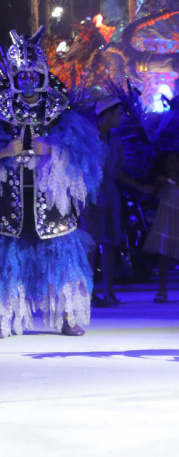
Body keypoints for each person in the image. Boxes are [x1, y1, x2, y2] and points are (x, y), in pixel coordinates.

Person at [0, 28, 105, 337]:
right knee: (8, 258)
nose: (29, 83)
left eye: (34, 75)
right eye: (23, 77)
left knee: (62, 257)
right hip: (10, 202)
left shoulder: (60, 111)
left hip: (51, 204)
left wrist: (53, 149)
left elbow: (86, 155)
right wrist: (5, 150)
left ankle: (68, 316)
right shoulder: (1, 111)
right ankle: (5, 317)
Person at [84, 96, 135, 307]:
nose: (122, 117)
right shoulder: (87, 136)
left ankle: (109, 290)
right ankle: (88, 292)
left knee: (111, 241)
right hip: (91, 191)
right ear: (106, 114)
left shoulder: (114, 138)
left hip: (110, 190)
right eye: (119, 113)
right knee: (90, 243)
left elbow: (118, 167)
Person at [140, 151, 179, 303]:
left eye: (176, 161)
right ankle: (162, 290)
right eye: (171, 161)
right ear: (165, 166)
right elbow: (154, 195)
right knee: (163, 257)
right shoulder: (162, 183)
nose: (174, 164)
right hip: (165, 222)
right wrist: (160, 183)